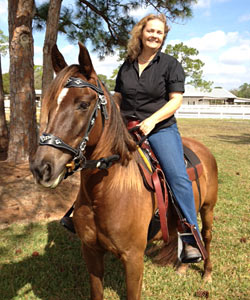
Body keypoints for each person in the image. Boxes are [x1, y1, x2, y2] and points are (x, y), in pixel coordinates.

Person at [113, 13, 203, 263]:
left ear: (163, 37)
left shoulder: (170, 64)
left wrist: (152, 120)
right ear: (141, 33)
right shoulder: (127, 64)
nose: (154, 35)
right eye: (150, 30)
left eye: (159, 32)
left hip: (160, 128)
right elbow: (119, 96)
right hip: (128, 127)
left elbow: (176, 100)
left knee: (177, 176)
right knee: (98, 160)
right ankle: (78, 212)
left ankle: (189, 237)